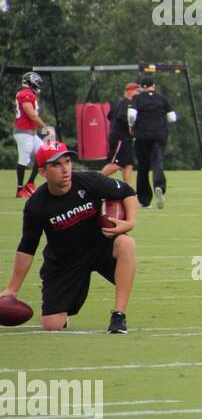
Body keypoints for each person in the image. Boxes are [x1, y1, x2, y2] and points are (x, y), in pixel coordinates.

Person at [1, 141, 137, 333]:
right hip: (65, 261)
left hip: (99, 247)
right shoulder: (36, 205)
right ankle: (59, 311)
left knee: (126, 243)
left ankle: (119, 316)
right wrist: (12, 289)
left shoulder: (89, 181)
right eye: (56, 165)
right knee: (51, 326)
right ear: (43, 172)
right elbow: (27, 247)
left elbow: (127, 192)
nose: (65, 169)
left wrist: (130, 222)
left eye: (67, 162)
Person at [128, 77, 177, 209]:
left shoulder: (137, 99)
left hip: (141, 136)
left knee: (143, 167)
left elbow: (132, 115)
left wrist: (131, 126)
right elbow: (173, 117)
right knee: (157, 163)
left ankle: (144, 200)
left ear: (142, 87)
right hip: (159, 136)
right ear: (153, 86)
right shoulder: (162, 99)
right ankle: (159, 186)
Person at [13, 71, 54, 199]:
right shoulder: (26, 94)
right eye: (37, 82)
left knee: (43, 154)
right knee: (23, 159)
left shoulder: (29, 94)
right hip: (23, 132)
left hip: (30, 132)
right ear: (31, 82)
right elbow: (31, 114)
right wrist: (45, 126)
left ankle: (30, 183)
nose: (38, 85)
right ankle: (20, 189)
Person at [101, 81, 139, 187]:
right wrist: (131, 128)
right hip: (120, 138)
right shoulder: (127, 103)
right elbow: (122, 118)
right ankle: (95, 180)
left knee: (128, 164)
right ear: (131, 91)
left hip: (124, 138)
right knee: (117, 164)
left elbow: (109, 116)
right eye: (137, 92)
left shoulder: (119, 101)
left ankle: (128, 190)